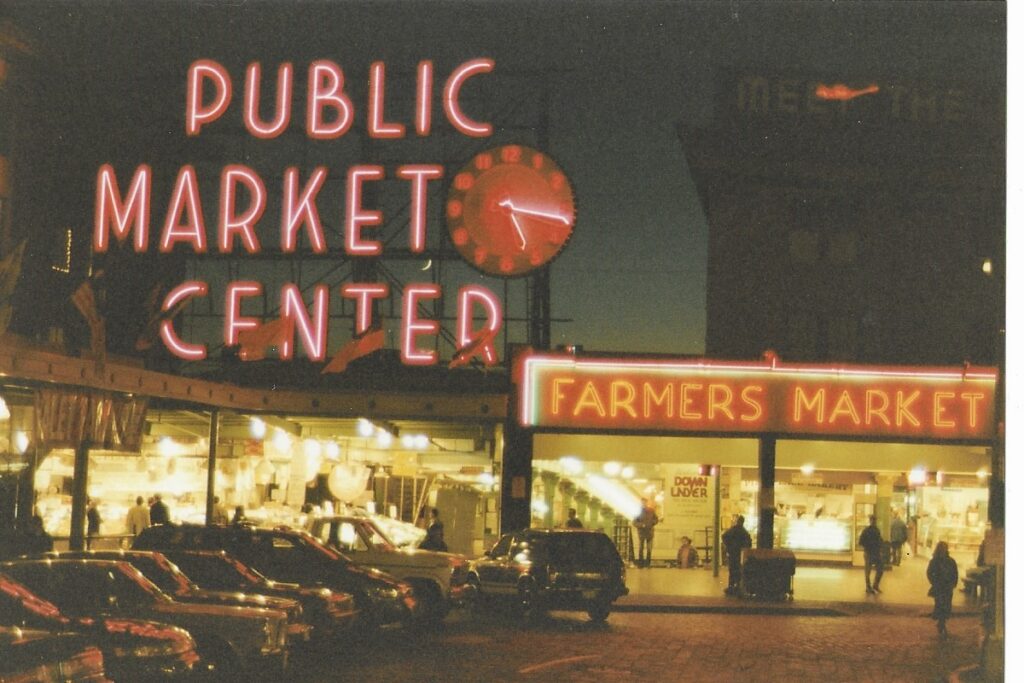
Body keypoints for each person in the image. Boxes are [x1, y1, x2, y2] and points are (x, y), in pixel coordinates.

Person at [927, 541, 959, 636]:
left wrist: (953, 583)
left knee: (946, 604)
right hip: (939, 586)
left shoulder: (950, 561)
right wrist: (934, 582)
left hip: (947, 586)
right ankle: (941, 622)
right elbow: (929, 572)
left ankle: (942, 622)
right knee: (941, 604)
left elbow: (955, 572)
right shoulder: (935, 561)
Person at [722, 515, 752, 595]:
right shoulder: (744, 532)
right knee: (739, 570)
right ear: (743, 522)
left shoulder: (732, 530)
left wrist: (728, 546)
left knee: (732, 570)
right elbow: (749, 543)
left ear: (737, 521)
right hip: (740, 554)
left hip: (732, 553)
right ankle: (738, 586)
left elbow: (724, 536)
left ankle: (731, 586)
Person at [858, 514, 884, 593]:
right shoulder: (876, 530)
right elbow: (879, 541)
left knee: (868, 570)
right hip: (873, 552)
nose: (874, 522)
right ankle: (873, 586)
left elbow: (860, 542)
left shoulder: (867, 530)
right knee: (879, 569)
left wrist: (867, 546)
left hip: (869, 552)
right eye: (873, 520)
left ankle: (869, 587)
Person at [633, 498, 659, 568]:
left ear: (646, 503)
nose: (643, 504)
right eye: (642, 502)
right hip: (642, 533)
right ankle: (640, 564)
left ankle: (648, 564)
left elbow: (656, 519)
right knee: (641, 548)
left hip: (650, 533)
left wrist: (652, 523)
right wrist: (642, 525)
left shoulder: (651, 510)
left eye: (645, 502)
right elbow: (634, 522)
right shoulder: (637, 511)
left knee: (649, 549)